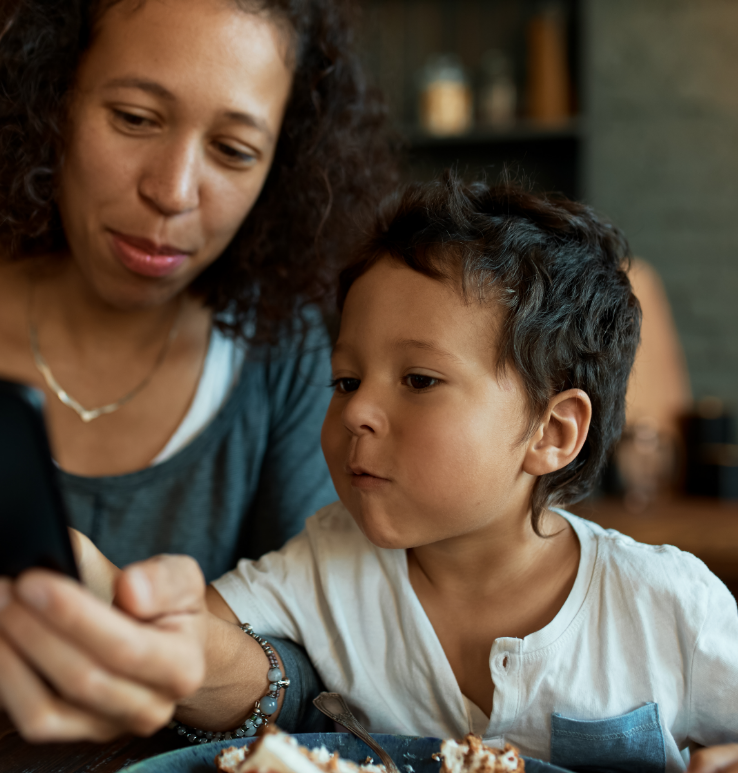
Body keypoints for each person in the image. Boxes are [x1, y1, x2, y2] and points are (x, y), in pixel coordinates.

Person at [54, 171, 737, 770]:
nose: (357, 412)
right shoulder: (325, 562)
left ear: (551, 432)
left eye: (417, 378)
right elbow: (173, 639)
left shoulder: (668, 603)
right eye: (346, 380)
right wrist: (85, 572)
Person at [0, 0, 395, 739]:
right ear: (48, 99)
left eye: (234, 151)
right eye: (135, 119)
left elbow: (336, 679)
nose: (173, 191)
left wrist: (204, 666)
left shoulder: (286, 355)